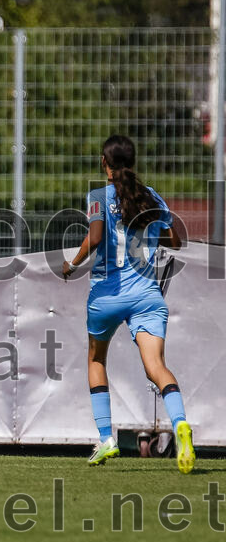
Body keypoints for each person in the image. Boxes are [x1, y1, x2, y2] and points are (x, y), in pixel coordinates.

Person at [62, 134, 193, 474]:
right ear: (133, 163)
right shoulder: (150, 197)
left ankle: (107, 438)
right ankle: (180, 424)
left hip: (106, 296)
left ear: (103, 163)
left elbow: (94, 237)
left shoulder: (97, 196)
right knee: (156, 366)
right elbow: (175, 241)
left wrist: (71, 265)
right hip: (147, 296)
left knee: (96, 359)